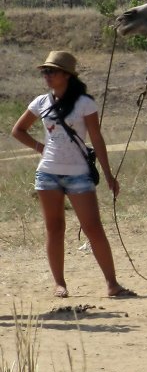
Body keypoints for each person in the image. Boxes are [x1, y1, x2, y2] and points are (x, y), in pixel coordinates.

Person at [10, 51, 136, 299]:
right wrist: (40, 148)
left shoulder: (84, 103)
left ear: (67, 75)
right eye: (45, 71)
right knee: (54, 229)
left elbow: (96, 138)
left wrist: (108, 174)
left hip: (79, 174)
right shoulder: (41, 102)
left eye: (52, 71)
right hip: (48, 175)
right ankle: (59, 284)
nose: (46, 76)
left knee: (93, 228)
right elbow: (18, 130)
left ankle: (112, 284)